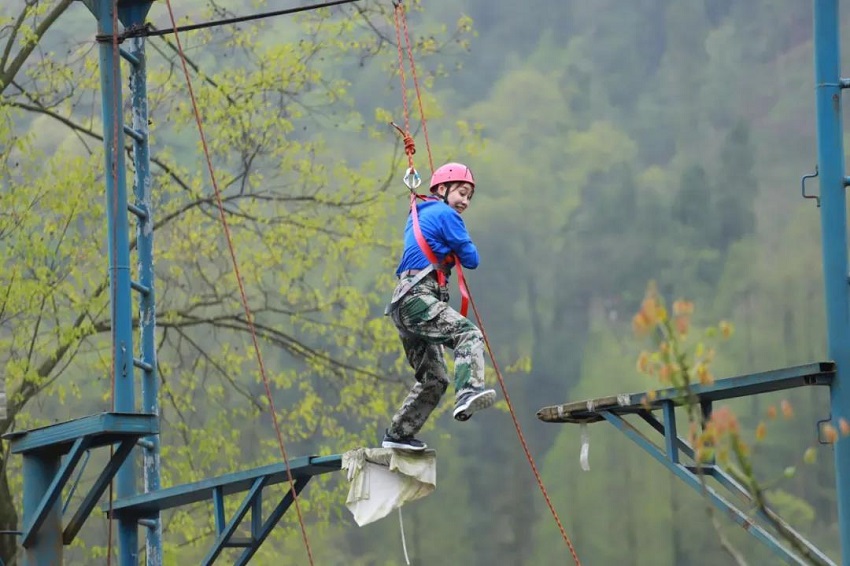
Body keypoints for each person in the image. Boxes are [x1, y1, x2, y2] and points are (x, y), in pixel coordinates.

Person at [381, 162, 497, 451]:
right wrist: (457, 246)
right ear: (442, 190)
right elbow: (472, 259)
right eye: (461, 192)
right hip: (419, 296)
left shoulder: (419, 214)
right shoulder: (446, 214)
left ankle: (398, 435)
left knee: (435, 378)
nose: (465, 201)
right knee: (468, 335)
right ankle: (469, 391)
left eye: (469, 196)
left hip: (403, 304)